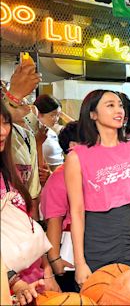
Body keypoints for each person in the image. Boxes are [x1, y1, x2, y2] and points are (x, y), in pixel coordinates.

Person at [65, 90, 130, 286]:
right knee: (101, 293)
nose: (119, 110)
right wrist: (80, 262)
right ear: (92, 114)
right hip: (96, 233)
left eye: (120, 105)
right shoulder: (76, 157)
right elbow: (77, 212)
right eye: (110, 105)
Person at [1, 101, 59, 300]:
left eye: (6, 123)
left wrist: (47, 270)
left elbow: (28, 226)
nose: (2, 131)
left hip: (33, 281)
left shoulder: (9, 171)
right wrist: (13, 281)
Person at [40, 121, 80, 292]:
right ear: (73, 146)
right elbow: (54, 220)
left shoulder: (89, 171)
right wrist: (55, 259)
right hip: (69, 250)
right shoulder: (59, 177)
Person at [33, 94, 63, 172]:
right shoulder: (31, 134)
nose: (56, 119)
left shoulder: (52, 132)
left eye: (58, 115)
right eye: (52, 115)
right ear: (39, 113)